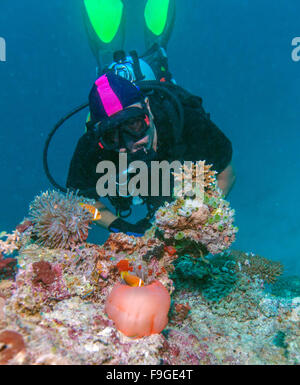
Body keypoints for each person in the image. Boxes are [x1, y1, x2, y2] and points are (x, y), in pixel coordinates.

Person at [66, 0, 236, 237]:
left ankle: (156, 52)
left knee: (157, 61)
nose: (128, 143)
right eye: (113, 135)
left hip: (155, 86)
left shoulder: (182, 119)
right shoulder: (92, 147)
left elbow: (225, 171)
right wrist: (122, 227)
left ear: (148, 109)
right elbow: (80, 200)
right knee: (106, 68)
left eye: (135, 124)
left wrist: (200, 219)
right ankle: (109, 61)